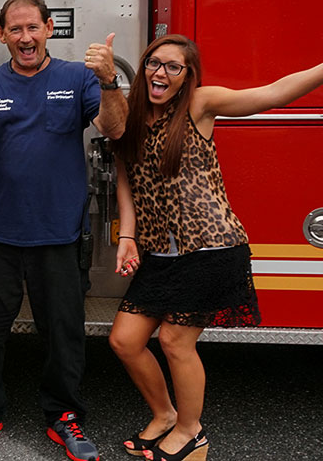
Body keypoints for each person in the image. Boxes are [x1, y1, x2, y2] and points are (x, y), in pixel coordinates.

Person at [107, 34, 323, 461]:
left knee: (174, 341)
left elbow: (273, 94)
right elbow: (126, 180)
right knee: (124, 341)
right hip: (161, 254)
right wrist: (127, 236)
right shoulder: (128, 116)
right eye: (154, 63)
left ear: (187, 76)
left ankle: (192, 434)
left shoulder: (200, 105)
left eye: (173, 66)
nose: (160, 73)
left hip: (211, 247)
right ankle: (165, 415)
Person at [0, 0, 128, 461]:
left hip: (59, 233)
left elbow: (114, 129)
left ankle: (65, 416)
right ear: (2, 35)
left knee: (63, 331)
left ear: (49, 28)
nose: (25, 38)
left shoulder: (76, 78)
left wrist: (110, 81)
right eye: (15, 30)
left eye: (33, 27)